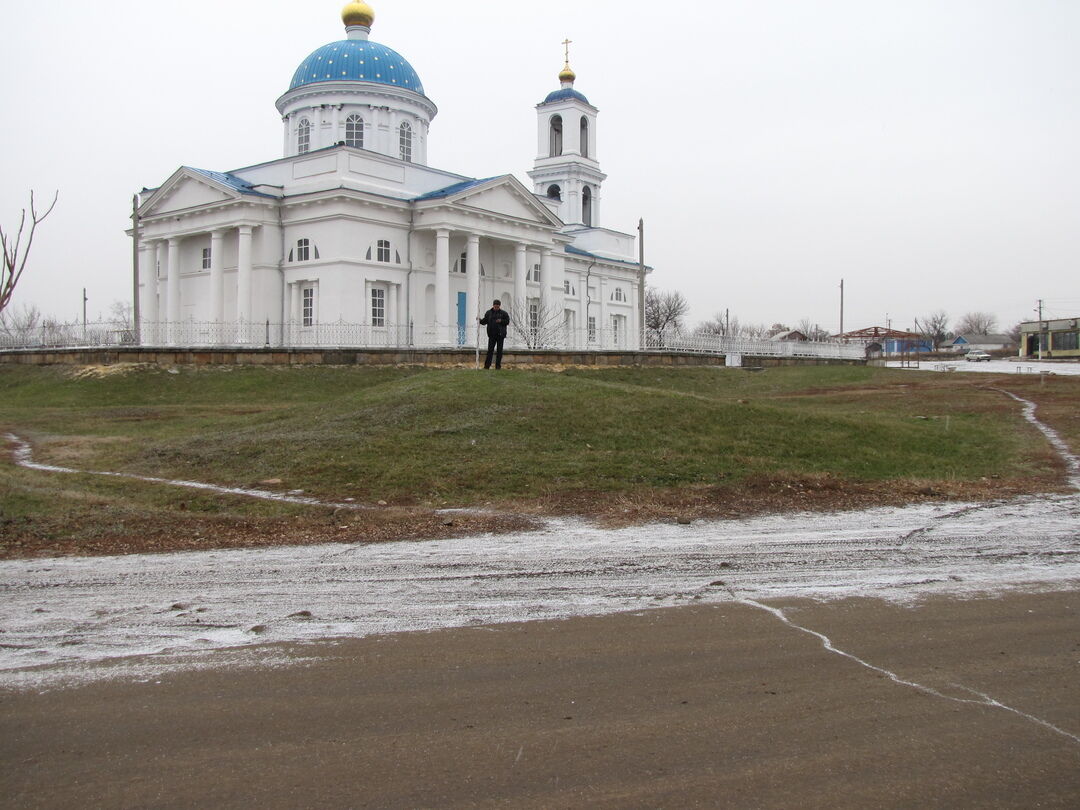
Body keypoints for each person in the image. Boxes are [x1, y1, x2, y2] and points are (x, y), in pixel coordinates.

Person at [478, 299, 511, 370]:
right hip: (491, 335)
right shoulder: (489, 313)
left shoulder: (503, 313)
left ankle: (498, 366)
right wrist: (480, 320)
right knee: (490, 351)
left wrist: (501, 321)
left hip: (500, 335)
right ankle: (487, 366)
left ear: (499, 306)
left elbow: (507, 321)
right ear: (493, 305)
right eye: (495, 306)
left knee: (499, 351)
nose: (496, 308)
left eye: (497, 306)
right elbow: (484, 321)